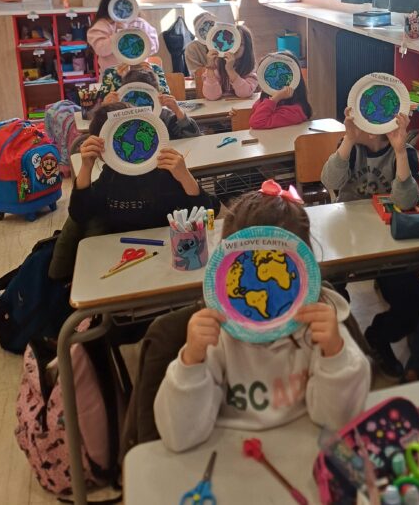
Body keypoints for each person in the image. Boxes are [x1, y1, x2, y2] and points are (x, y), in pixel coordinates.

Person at [154, 181, 371, 452]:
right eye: (248, 266)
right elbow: (180, 436)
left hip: (305, 454)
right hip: (231, 457)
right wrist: (191, 361)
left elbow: (339, 420)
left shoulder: (319, 325)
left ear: (303, 268)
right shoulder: (216, 335)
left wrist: (334, 353)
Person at [49, 103, 219, 281]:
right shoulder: (110, 178)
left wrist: (185, 176)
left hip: (167, 261)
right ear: (102, 153)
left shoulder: (164, 174)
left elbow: (210, 213)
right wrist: (86, 167)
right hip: (120, 262)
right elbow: (79, 215)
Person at [321, 108, 419, 378]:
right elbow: (329, 181)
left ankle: (379, 335)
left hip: (387, 239)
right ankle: (343, 346)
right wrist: (349, 139)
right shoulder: (351, 148)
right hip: (346, 236)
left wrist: (399, 151)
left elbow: (405, 201)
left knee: (414, 299)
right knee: (329, 293)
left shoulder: (405, 153)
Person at [103, 67, 200, 138]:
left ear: (157, 95)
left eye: (145, 98)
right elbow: (102, 137)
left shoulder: (166, 117)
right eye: (133, 98)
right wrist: (104, 110)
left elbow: (194, 136)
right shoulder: (117, 117)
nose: (138, 105)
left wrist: (178, 112)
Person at [87, 0, 159, 74]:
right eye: (117, 8)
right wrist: (119, 34)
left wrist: (139, 37)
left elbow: (154, 46)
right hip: (112, 75)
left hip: (139, 73)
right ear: (108, 6)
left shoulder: (140, 23)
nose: (122, 11)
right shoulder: (102, 26)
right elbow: (100, 49)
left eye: (126, 6)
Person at [249, 54, 312, 129]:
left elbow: (257, 122)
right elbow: (256, 109)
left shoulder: (293, 112)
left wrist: (275, 99)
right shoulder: (267, 102)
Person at [201, 24, 257, 100]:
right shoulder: (216, 67)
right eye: (231, 42)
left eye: (240, 44)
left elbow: (244, 93)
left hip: (241, 106)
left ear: (247, 47)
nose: (235, 48)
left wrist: (230, 70)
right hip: (220, 106)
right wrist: (210, 68)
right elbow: (211, 96)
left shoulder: (249, 70)